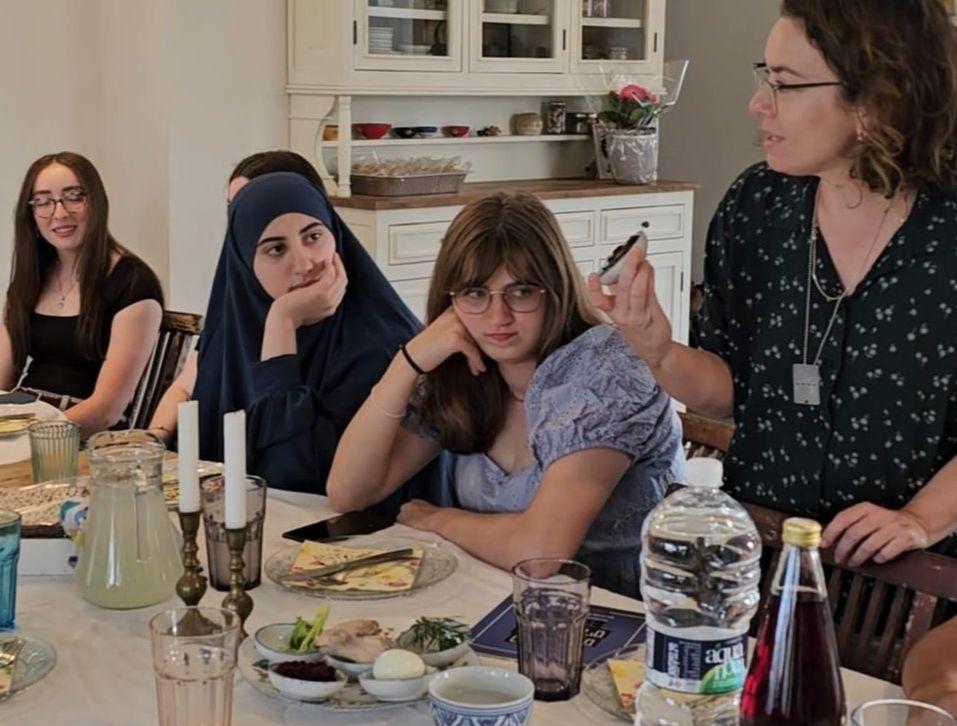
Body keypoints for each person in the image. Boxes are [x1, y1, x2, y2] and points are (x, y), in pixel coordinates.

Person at [591, 0, 957, 565]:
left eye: (783, 84)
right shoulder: (758, 206)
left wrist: (920, 519)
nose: (757, 103)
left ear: (877, 98)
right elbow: (729, 394)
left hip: (914, 579)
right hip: (761, 555)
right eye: (765, 77)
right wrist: (656, 348)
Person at [328, 191, 683, 597]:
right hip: (500, 606)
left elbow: (543, 553)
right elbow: (349, 492)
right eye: (475, 293)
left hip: (631, 622)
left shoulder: (603, 369)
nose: (498, 318)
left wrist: (437, 520)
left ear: (556, 289)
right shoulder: (468, 366)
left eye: (521, 292)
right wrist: (408, 362)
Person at [191, 171, 421, 493]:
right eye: (275, 250)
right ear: (244, 264)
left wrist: (281, 324)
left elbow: (294, 478)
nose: (304, 264)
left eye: (313, 237)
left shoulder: (380, 345)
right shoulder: (232, 335)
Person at [148, 150, 324, 443]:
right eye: (233, 209)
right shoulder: (238, 296)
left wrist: (283, 318)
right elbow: (187, 385)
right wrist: (155, 436)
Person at [0, 152, 164, 436]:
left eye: (74, 197)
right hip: (23, 420)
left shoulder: (133, 282)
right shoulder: (32, 276)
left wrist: (33, 437)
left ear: (97, 203)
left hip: (83, 436)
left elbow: (106, 410)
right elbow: (2, 379)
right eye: (43, 201)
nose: (60, 213)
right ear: (30, 213)